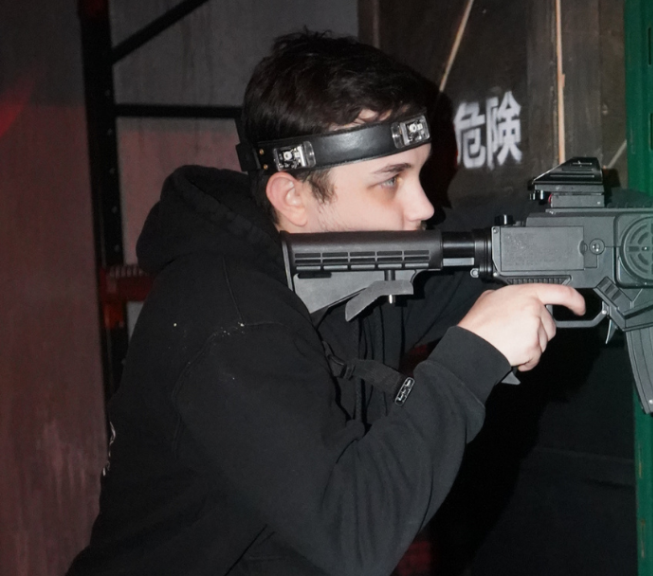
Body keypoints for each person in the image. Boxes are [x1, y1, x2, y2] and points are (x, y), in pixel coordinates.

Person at [67, 31, 584, 576]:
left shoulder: (348, 264)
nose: (424, 206)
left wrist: (614, 230)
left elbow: (486, 239)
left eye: (419, 171)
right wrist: (472, 356)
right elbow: (355, 533)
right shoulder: (225, 321)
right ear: (293, 198)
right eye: (391, 180)